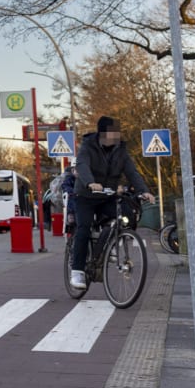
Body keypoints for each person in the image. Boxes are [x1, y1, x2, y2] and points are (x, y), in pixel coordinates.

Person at [70, 116, 154, 290]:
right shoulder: (88, 146)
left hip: (107, 196)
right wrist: (90, 183)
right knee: (84, 228)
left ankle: (113, 244)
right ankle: (77, 271)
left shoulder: (120, 150)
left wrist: (143, 191)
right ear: (101, 134)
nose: (115, 137)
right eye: (111, 133)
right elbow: (82, 165)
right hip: (86, 195)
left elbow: (132, 172)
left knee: (127, 214)